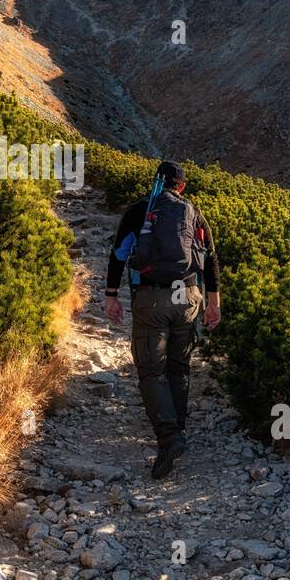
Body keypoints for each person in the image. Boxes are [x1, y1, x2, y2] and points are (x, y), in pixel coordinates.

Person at [104, 160, 221, 478]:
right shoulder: (193, 212)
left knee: (151, 371)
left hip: (151, 299)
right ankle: (176, 431)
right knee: (178, 368)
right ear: (181, 186)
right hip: (188, 297)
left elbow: (118, 254)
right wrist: (214, 303)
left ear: (156, 181)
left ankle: (169, 438)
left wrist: (111, 295)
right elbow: (209, 259)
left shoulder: (139, 210)